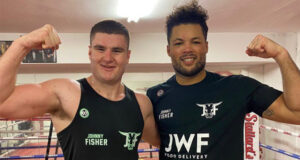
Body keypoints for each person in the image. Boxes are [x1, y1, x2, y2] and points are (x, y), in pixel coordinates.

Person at [146, 1, 300, 160]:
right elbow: (158, 140)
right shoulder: (154, 96)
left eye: (195, 41)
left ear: (206, 46)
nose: (187, 49)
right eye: (179, 43)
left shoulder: (236, 87)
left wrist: (281, 55)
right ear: (169, 50)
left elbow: (297, 113)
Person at [0, 20, 160, 160]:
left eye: (117, 50)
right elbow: (3, 103)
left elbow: (167, 141)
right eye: (100, 49)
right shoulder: (66, 93)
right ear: (90, 52)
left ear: (128, 55)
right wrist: (21, 45)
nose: (108, 58)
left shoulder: (141, 104)